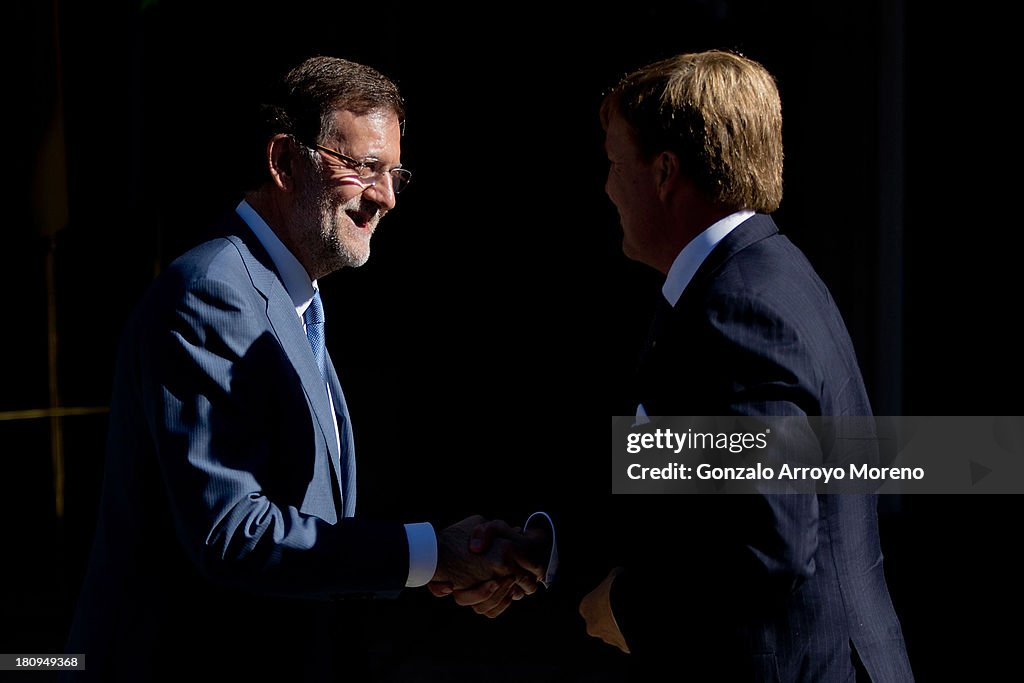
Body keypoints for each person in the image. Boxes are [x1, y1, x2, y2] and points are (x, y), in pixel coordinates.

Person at [65, 56, 549, 681]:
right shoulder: (213, 291)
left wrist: (442, 559)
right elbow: (233, 530)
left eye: (395, 171)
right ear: (284, 160)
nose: (388, 196)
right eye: (363, 168)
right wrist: (430, 554)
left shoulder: (289, 296)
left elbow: (312, 525)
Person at [572, 50, 915, 681]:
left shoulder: (739, 309)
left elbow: (768, 542)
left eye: (616, 163)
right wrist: (549, 552)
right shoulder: (759, 275)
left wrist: (628, 607)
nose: (608, 186)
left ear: (665, 171)